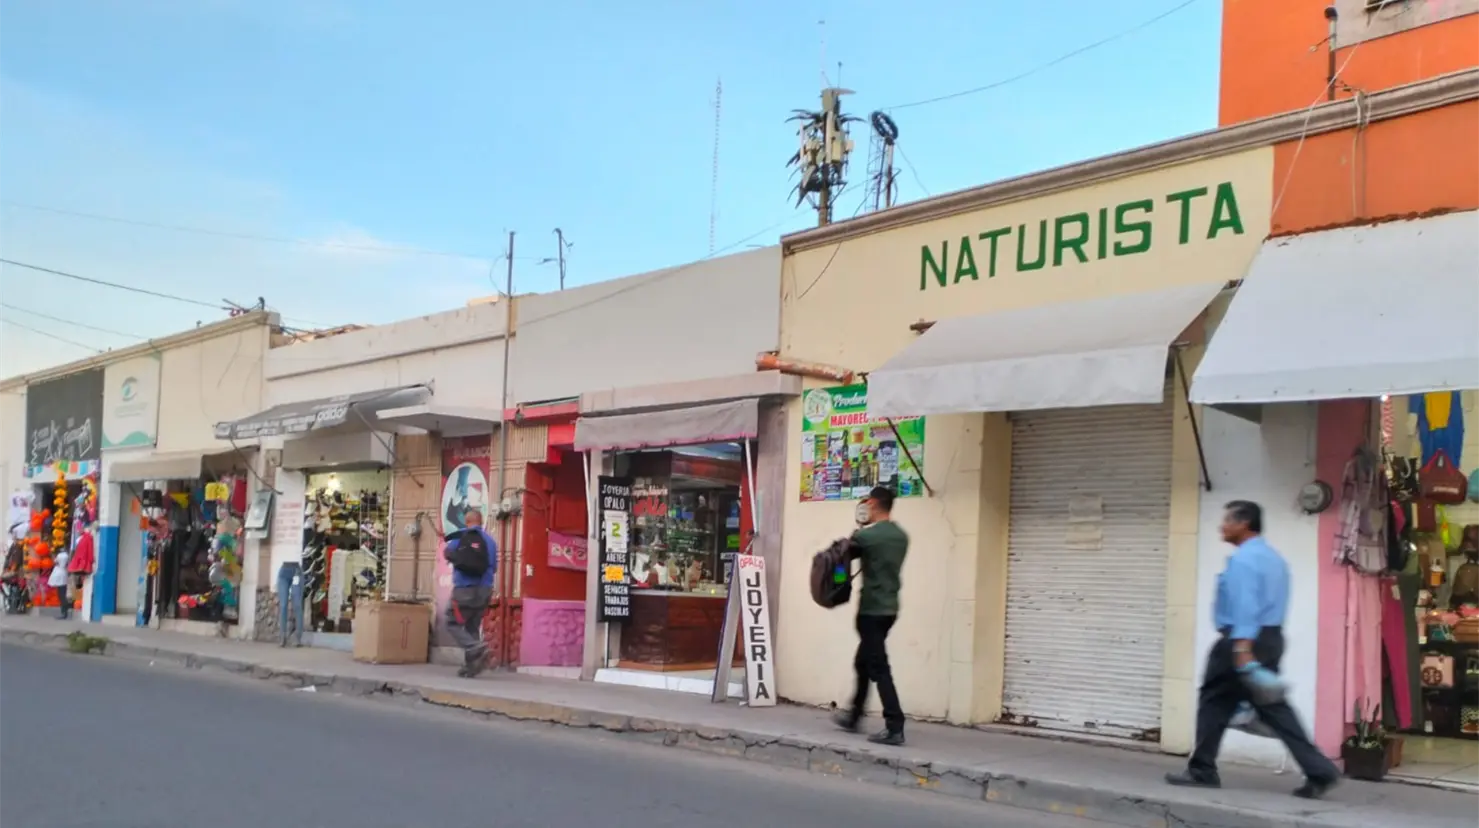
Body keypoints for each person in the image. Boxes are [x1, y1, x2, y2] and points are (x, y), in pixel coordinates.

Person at [1166, 500, 1340, 799]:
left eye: (1227, 521)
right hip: (1270, 638)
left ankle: (1202, 770)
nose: (1222, 526)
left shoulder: (1244, 560)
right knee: (1273, 707)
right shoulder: (1273, 558)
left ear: (1243, 524)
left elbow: (1247, 605)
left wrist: (1242, 646)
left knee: (1213, 700)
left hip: (1241, 640)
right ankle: (1319, 770)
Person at [832, 485, 909, 746]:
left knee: (877, 666)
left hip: (871, 610)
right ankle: (854, 716)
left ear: (873, 504)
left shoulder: (866, 537)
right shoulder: (901, 536)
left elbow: (842, 561)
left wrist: (859, 524)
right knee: (863, 662)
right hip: (890, 608)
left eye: (868, 504)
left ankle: (895, 725)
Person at [443, 508, 498, 678]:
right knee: (472, 625)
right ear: (481, 521)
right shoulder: (490, 541)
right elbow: (494, 567)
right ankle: (472, 666)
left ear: (466, 522)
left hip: (464, 589)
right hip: (485, 589)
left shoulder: (460, 537)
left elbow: (448, 553)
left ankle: (475, 647)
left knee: (451, 621)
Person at [49, 547, 72, 620]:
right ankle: (65, 610)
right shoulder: (67, 556)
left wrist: (52, 555)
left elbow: (55, 562)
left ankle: (64, 612)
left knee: (61, 595)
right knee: (63, 594)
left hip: (59, 575)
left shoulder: (60, 556)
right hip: (64, 574)